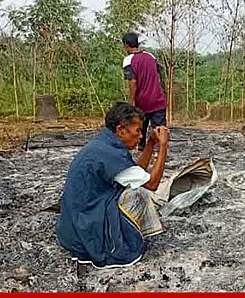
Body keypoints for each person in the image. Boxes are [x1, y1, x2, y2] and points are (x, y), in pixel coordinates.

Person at [57, 102, 170, 269]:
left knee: (133, 186)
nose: (140, 136)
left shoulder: (102, 145)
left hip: (72, 229)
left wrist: (151, 144)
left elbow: (135, 173)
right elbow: (151, 184)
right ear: (120, 130)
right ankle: (126, 238)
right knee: (139, 194)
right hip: (86, 229)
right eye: (138, 130)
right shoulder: (109, 154)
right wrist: (163, 146)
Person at [122, 32, 167, 151]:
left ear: (126, 45)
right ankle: (160, 152)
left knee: (140, 127)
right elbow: (159, 73)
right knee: (159, 128)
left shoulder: (128, 60)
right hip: (158, 99)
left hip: (143, 101)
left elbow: (133, 82)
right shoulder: (150, 56)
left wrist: (131, 101)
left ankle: (142, 149)